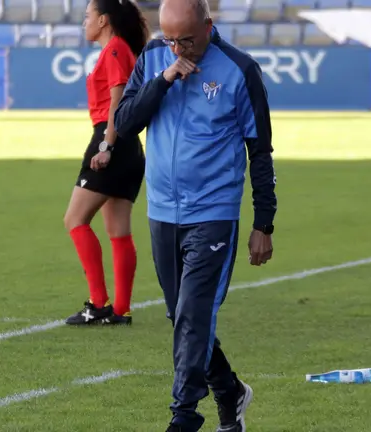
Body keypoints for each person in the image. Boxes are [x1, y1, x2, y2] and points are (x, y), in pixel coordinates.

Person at [114, 0, 277, 429]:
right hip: (163, 209)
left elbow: (259, 151)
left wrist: (264, 222)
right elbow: (125, 123)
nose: (178, 48)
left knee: (193, 315)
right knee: (181, 317)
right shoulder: (153, 58)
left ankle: (183, 416)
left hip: (214, 211)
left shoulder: (240, 70)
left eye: (186, 39)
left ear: (209, 25)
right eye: (170, 39)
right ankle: (231, 392)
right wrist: (165, 78)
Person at [63, 0, 149, 326]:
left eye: (87, 16)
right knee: (118, 230)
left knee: (74, 218)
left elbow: (118, 101)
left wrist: (106, 146)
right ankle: (120, 310)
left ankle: (98, 303)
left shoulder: (114, 51)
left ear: (102, 20)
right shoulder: (120, 49)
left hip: (112, 141)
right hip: (129, 147)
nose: (84, 22)